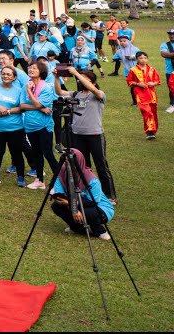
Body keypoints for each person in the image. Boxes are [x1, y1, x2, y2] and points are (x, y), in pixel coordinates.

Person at [55, 66, 115, 200]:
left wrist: (76, 73)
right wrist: (56, 77)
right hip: (77, 135)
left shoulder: (98, 94)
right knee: (84, 166)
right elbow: (59, 91)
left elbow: (93, 89)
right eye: (81, 79)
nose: (82, 81)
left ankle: (109, 195)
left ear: (93, 82)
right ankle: (89, 192)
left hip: (94, 135)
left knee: (101, 166)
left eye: (86, 80)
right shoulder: (77, 94)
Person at [51, 148, 114, 240]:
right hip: (76, 203)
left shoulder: (91, 179)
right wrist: (71, 206)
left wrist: (72, 206)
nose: (68, 165)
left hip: (100, 207)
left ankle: (100, 231)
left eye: (71, 162)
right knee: (56, 206)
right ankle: (77, 228)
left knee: (89, 213)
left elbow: (93, 202)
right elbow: (59, 195)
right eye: (66, 162)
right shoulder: (61, 175)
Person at [0, 66, 29, 186]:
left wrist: (8, 111)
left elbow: (22, 108)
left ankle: (20, 177)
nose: (5, 76)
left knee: (17, 153)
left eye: (9, 74)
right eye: (3, 74)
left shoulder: (19, 90)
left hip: (15, 127)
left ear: (14, 77)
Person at [22, 62, 58, 189]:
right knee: (36, 153)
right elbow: (22, 105)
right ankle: (39, 180)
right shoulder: (27, 85)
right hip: (29, 125)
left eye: (34, 68)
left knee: (48, 153)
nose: (31, 70)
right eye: (30, 68)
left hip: (44, 125)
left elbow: (39, 104)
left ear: (41, 71)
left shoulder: (47, 87)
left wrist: (30, 94)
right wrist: (41, 108)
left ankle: (59, 182)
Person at [126, 51, 160, 140]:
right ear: (137, 59)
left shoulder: (152, 69)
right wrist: (137, 84)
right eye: (141, 58)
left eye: (145, 58)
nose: (143, 60)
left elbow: (157, 80)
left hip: (152, 94)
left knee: (153, 112)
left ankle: (153, 130)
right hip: (141, 95)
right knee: (147, 112)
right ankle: (149, 131)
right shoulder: (133, 70)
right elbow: (129, 81)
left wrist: (153, 83)